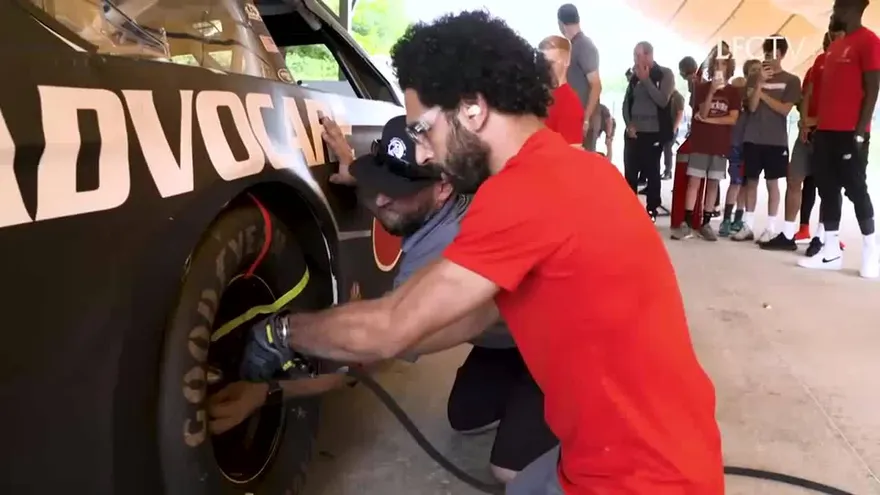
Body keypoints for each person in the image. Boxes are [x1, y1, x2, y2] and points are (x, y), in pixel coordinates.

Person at [240, 11, 724, 494]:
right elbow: (465, 319)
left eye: (422, 130)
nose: (425, 154)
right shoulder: (579, 169)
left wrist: (278, 332)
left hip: (640, 480)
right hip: (661, 448)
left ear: (472, 108)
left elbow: (389, 329)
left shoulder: (521, 193)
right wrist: (293, 381)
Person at [215, 115, 560, 482]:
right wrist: (354, 167)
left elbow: (369, 356)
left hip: (565, 342)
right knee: (466, 418)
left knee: (508, 472)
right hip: (513, 336)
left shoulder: (445, 260)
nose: (380, 197)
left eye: (397, 189)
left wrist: (271, 376)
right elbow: (391, 187)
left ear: (443, 188)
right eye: (380, 180)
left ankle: (587, 415)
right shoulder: (448, 190)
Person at [799, 0, 880, 278]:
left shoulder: (869, 41)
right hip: (827, 132)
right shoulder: (834, 47)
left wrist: (860, 130)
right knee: (827, 188)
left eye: (839, 7)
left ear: (855, 8)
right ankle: (830, 250)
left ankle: (871, 251)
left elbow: (872, 88)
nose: (835, 12)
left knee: (857, 189)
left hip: (851, 133)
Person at [731, 35, 802, 243]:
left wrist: (763, 95)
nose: (768, 58)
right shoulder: (755, 78)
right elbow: (751, 107)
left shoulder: (791, 80)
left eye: (771, 54)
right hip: (752, 136)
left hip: (776, 140)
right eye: (766, 54)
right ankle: (748, 225)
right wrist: (759, 84)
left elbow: (784, 110)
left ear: (780, 54)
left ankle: (771, 228)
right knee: (750, 182)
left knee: (773, 184)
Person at [671, 42, 740, 241]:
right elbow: (701, 111)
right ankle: (686, 220)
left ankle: (706, 222)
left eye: (723, 64)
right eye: (716, 64)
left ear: (729, 67)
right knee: (694, 180)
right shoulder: (701, 88)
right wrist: (711, 91)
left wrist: (709, 119)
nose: (719, 68)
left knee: (713, 182)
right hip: (701, 142)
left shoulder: (733, 92)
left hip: (719, 144)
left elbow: (732, 118)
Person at [797, 28, 848, 257]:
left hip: (838, 132)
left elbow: (842, 102)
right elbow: (807, 94)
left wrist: (815, 120)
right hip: (817, 131)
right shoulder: (818, 62)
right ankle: (807, 229)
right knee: (812, 180)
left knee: (831, 186)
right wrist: (806, 122)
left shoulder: (848, 64)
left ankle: (826, 235)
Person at [623, 41, 676, 222]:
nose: (635, 60)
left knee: (652, 172)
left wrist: (646, 80)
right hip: (633, 133)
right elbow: (626, 102)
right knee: (630, 172)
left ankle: (652, 208)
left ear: (648, 55)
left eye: (638, 56)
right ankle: (629, 208)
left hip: (653, 132)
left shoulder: (665, 74)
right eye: (634, 56)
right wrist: (628, 124)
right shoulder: (633, 75)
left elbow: (663, 100)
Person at [719, 59, 760, 237]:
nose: (757, 73)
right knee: (735, 182)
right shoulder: (739, 86)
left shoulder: (759, 91)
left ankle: (739, 217)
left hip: (751, 143)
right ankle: (726, 218)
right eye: (753, 70)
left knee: (746, 183)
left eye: (759, 70)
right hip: (736, 143)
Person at [557, 3, 602, 151]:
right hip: (576, 120)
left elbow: (596, 85)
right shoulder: (574, 46)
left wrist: (586, 119)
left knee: (584, 167)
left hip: (583, 122)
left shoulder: (584, 45)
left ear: (561, 24)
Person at [539, 35, 585, 146]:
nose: (545, 68)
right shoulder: (538, 96)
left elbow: (572, 152)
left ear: (566, 61)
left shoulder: (569, 103)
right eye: (542, 62)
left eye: (551, 63)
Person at [663, 88, 686, 179]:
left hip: (672, 127)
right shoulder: (667, 95)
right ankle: (666, 171)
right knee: (665, 149)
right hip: (665, 128)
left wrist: (674, 129)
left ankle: (668, 171)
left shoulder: (678, 97)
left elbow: (680, 113)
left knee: (668, 148)